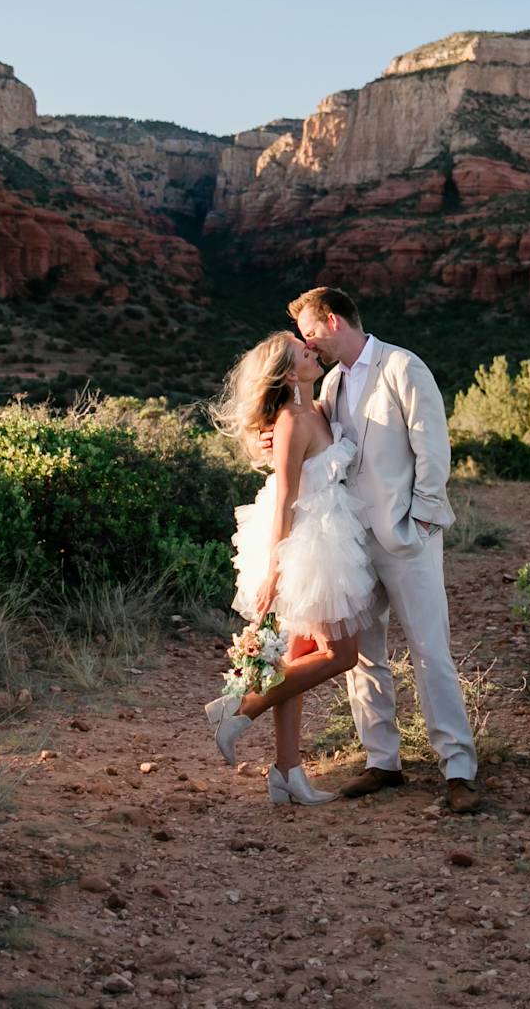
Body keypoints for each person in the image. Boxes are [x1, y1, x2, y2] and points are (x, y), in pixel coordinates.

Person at [286, 286, 481, 814]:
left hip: (406, 537)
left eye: (308, 332)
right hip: (353, 540)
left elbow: (432, 447)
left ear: (331, 321)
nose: (308, 343)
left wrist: (419, 517)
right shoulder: (331, 383)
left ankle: (458, 766)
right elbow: (317, 441)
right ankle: (382, 761)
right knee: (364, 656)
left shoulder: (403, 366)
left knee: (429, 650)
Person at [206, 331, 381, 804]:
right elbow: (284, 496)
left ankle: (287, 773)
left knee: (298, 655)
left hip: (333, 534)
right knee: (340, 656)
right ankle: (242, 709)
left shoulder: (317, 409)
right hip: (308, 542)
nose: (313, 351)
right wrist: (275, 570)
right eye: (303, 352)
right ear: (288, 372)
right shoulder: (290, 421)